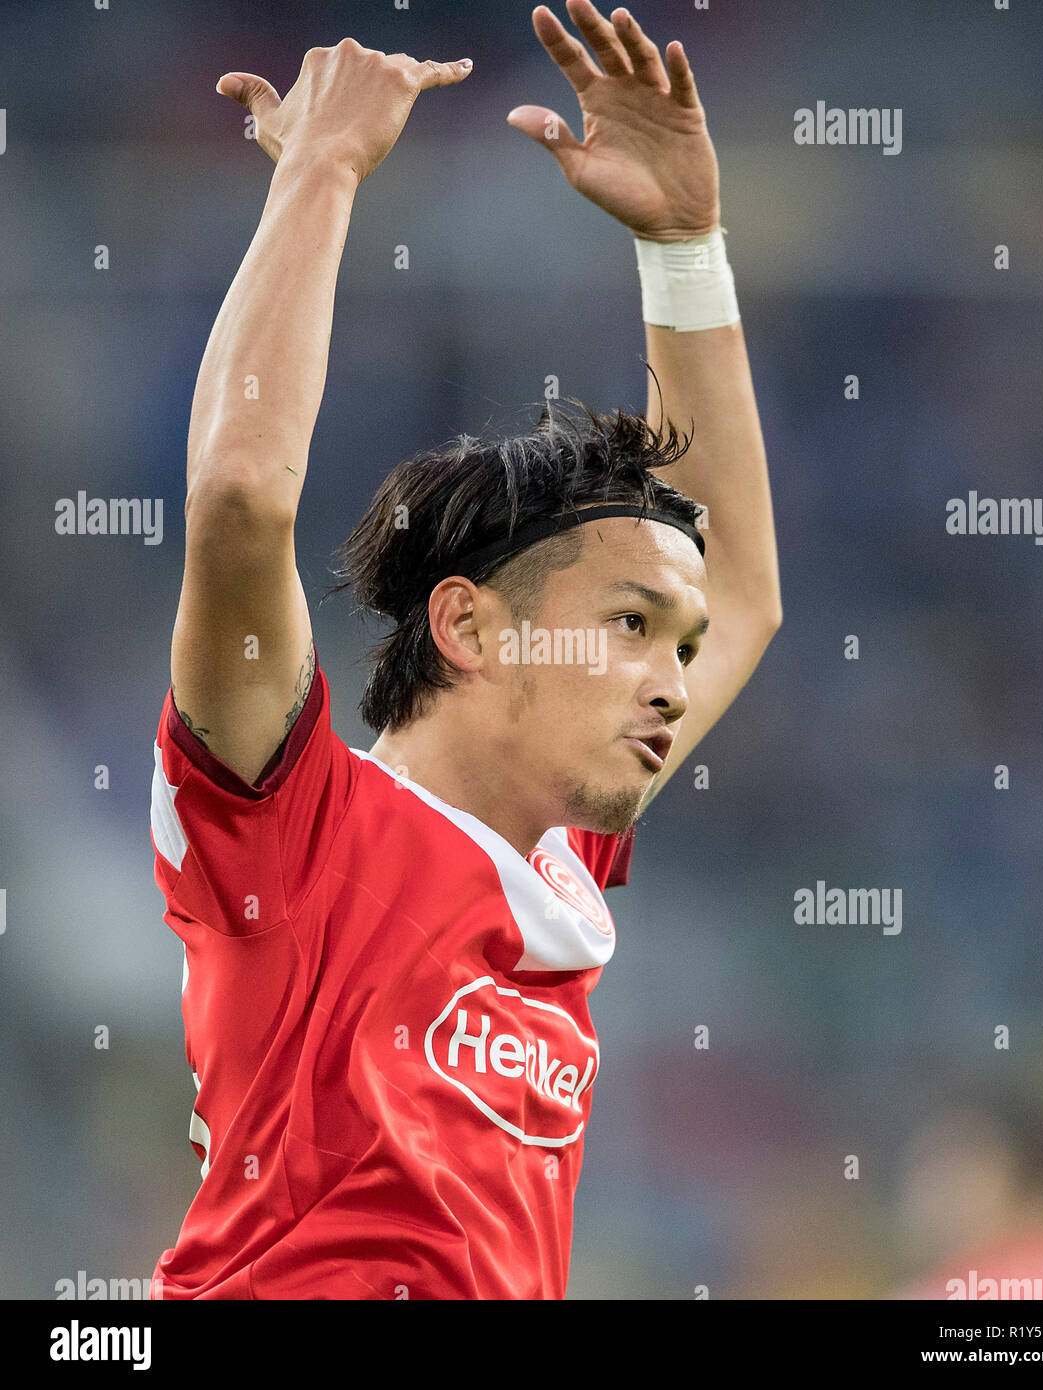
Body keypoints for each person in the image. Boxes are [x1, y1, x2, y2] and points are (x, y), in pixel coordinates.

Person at [149, 1, 781, 1300]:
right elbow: (239, 497)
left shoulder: (559, 862)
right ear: (470, 624)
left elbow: (739, 594)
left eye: (677, 645)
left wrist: (682, 249)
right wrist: (323, 170)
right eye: (629, 626)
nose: (674, 680)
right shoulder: (294, 828)